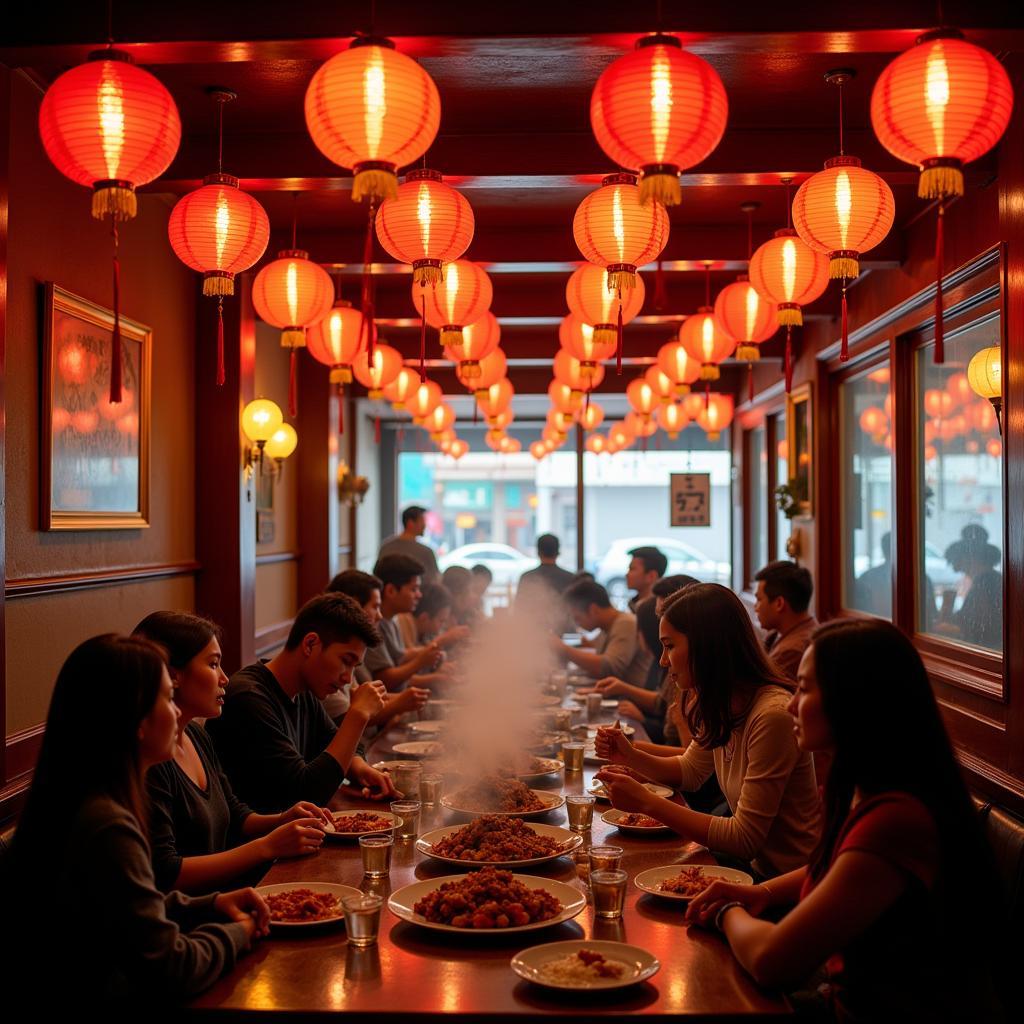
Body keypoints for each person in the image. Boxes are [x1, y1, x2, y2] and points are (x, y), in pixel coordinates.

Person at [685, 620, 1005, 1021]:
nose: (789, 704)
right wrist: (763, 893)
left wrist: (724, 911)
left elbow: (772, 961)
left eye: (804, 689)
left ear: (854, 699)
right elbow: (843, 867)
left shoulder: (895, 820)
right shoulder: (871, 785)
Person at [3, 635, 269, 1003]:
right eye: (166, 698)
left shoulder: (82, 794)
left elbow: (124, 908)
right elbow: (171, 967)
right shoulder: (106, 824)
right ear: (136, 720)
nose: (177, 711)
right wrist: (240, 932)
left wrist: (209, 905)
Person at [595, 583, 821, 878]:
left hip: (779, 884)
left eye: (670, 646)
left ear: (707, 645)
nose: (663, 661)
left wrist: (647, 803)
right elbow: (690, 771)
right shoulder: (721, 700)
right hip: (745, 870)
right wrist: (629, 756)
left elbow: (744, 839)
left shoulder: (772, 715)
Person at [135, 612, 331, 894]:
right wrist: (266, 846)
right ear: (173, 675)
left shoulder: (196, 735)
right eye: (213, 664)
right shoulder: (151, 760)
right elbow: (165, 872)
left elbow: (234, 814)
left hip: (224, 898)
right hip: (193, 919)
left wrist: (282, 820)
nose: (225, 678)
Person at [207, 593, 394, 813]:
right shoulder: (248, 699)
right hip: (255, 841)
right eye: (346, 661)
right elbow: (304, 793)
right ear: (310, 644)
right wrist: (358, 714)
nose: (347, 677)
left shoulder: (303, 692)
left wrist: (359, 768)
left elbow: (336, 740)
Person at [324, 569, 430, 724]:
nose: (379, 615)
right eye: (375, 607)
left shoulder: (387, 626)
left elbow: (365, 700)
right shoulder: (337, 650)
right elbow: (349, 719)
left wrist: (409, 697)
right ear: (353, 605)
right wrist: (400, 703)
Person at [365, 555, 467, 691]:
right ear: (391, 591)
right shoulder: (375, 624)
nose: (419, 595)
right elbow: (385, 681)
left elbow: (401, 656)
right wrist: (422, 660)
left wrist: (431, 650)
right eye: (414, 589)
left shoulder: (391, 620)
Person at [549, 579, 652, 687]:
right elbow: (594, 651)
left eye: (577, 618)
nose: (577, 624)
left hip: (631, 701)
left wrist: (563, 648)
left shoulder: (626, 623)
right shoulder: (607, 627)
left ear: (593, 609)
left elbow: (608, 668)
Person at [753, 561, 817, 686]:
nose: (756, 607)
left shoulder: (791, 651)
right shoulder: (784, 633)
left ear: (779, 604)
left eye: (759, 599)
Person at [939, 524, 1002, 649]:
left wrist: (944, 625)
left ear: (970, 557)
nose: (954, 566)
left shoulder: (986, 582)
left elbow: (980, 627)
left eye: (956, 560)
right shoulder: (991, 579)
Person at [377, 505, 440, 585]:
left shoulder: (386, 547)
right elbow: (435, 581)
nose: (425, 525)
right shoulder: (426, 552)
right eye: (422, 521)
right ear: (410, 523)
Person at [517, 534, 576, 600]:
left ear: (538, 553)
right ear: (558, 553)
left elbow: (519, 606)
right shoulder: (571, 578)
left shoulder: (527, 578)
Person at [625, 544, 668, 611]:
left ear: (651, 576)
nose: (627, 574)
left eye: (632, 569)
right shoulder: (633, 604)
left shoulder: (661, 611)